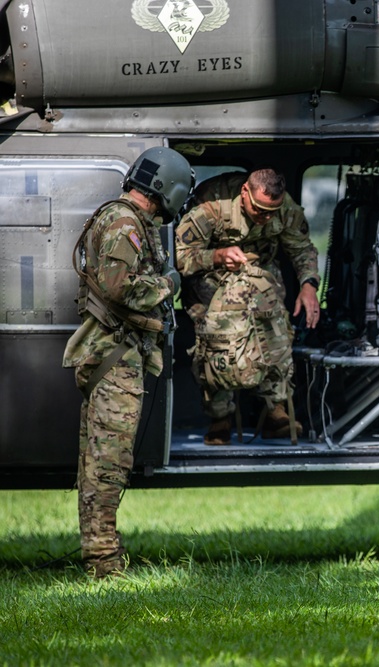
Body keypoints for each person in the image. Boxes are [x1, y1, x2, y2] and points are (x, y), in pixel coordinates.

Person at [64, 147, 195, 578]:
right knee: (108, 466)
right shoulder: (124, 224)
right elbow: (120, 288)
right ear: (168, 189)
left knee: (99, 462)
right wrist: (168, 283)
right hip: (114, 360)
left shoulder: (125, 221)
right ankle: (104, 565)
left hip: (114, 356)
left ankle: (99, 555)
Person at [175, 169, 321, 445]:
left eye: (271, 211)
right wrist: (216, 256)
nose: (265, 217)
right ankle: (220, 418)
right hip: (211, 282)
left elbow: (302, 248)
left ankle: (275, 411)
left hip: (261, 280)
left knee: (276, 338)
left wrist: (309, 285)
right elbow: (179, 257)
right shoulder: (210, 207)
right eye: (259, 209)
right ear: (244, 192)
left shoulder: (285, 208)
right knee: (216, 347)